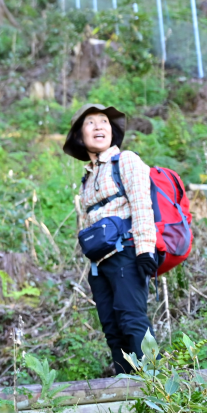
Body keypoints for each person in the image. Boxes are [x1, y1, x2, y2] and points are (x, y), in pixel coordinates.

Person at [64, 104, 156, 374]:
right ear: (81, 137)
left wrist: (145, 250)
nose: (99, 126)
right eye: (90, 123)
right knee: (112, 328)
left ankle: (157, 389)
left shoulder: (125, 161)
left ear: (112, 132)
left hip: (127, 252)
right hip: (99, 263)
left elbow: (141, 204)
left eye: (104, 121)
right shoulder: (88, 176)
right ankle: (126, 393)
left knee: (132, 320)